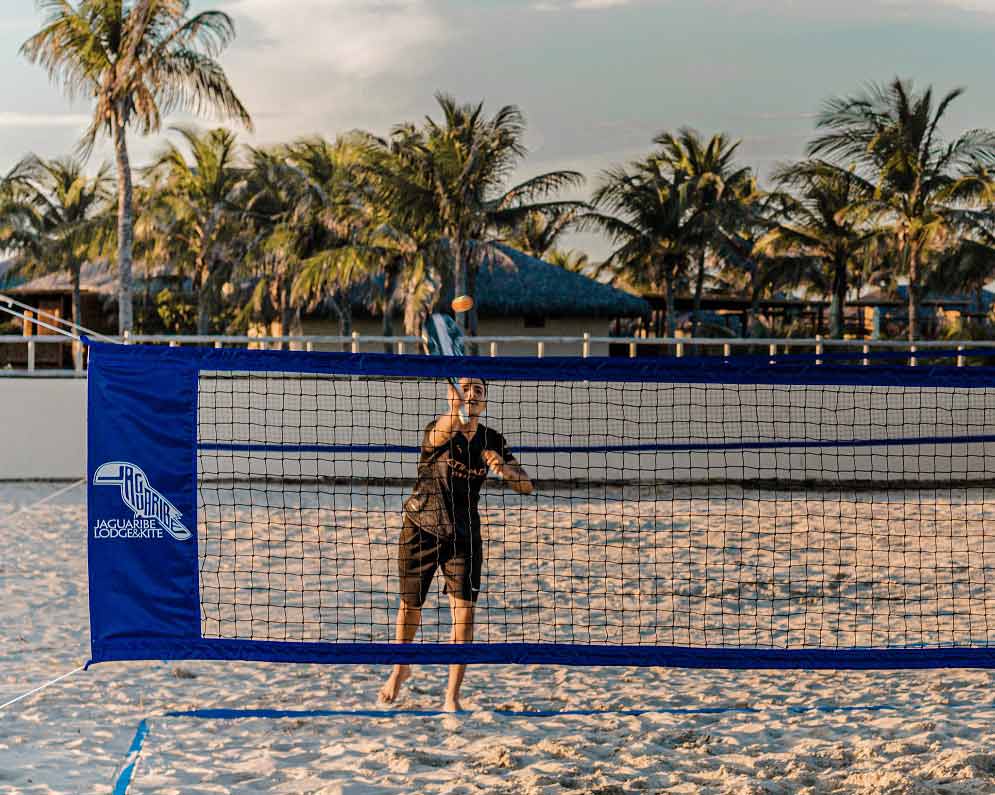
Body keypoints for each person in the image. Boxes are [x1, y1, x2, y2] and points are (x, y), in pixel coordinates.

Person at [379, 376, 534, 711]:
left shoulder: (492, 439)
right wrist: (454, 411)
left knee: (464, 616)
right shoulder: (439, 427)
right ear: (454, 395)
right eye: (465, 388)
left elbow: (527, 485)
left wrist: (505, 470)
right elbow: (441, 431)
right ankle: (399, 669)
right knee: (410, 607)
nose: (472, 393)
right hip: (421, 525)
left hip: (464, 534)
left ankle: (451, 697)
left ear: (485, 401)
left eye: (478, 390)